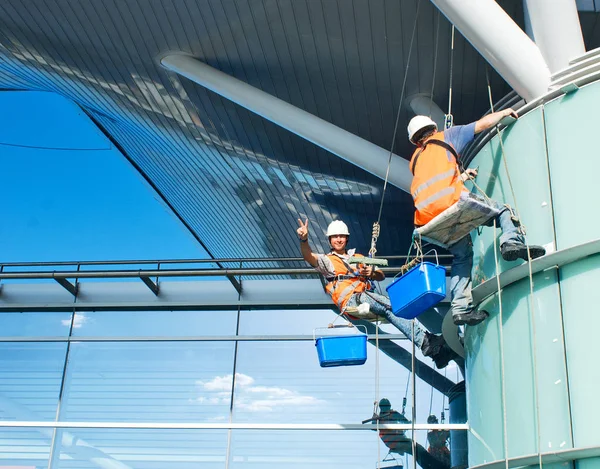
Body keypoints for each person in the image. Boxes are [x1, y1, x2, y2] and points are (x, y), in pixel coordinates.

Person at [407, 110, 546, 326]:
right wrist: (504, 113)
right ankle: (510, 243)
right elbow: (482, 124)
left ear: (416, 141)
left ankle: (460, 309)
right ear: (433, 129)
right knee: (503, 211)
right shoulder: (447, 136)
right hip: (453, 204)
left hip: (428, 222)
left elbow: (434, 182)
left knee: (462, 257)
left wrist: (461, 176)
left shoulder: (415, 160)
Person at [296, 218, 456, 369]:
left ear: (347, 238)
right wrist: (304, 240)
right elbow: (308, 256)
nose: (339, 239)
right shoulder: (328, 261)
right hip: (352, 300)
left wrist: (370, 272)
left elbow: (380, 275)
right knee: (390, 305)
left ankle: (434, 351)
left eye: (342, 236)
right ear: (330, 240)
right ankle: (428, 342)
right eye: (335, 237)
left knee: (392, 311)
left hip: (364, 298)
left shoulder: (358, 257)